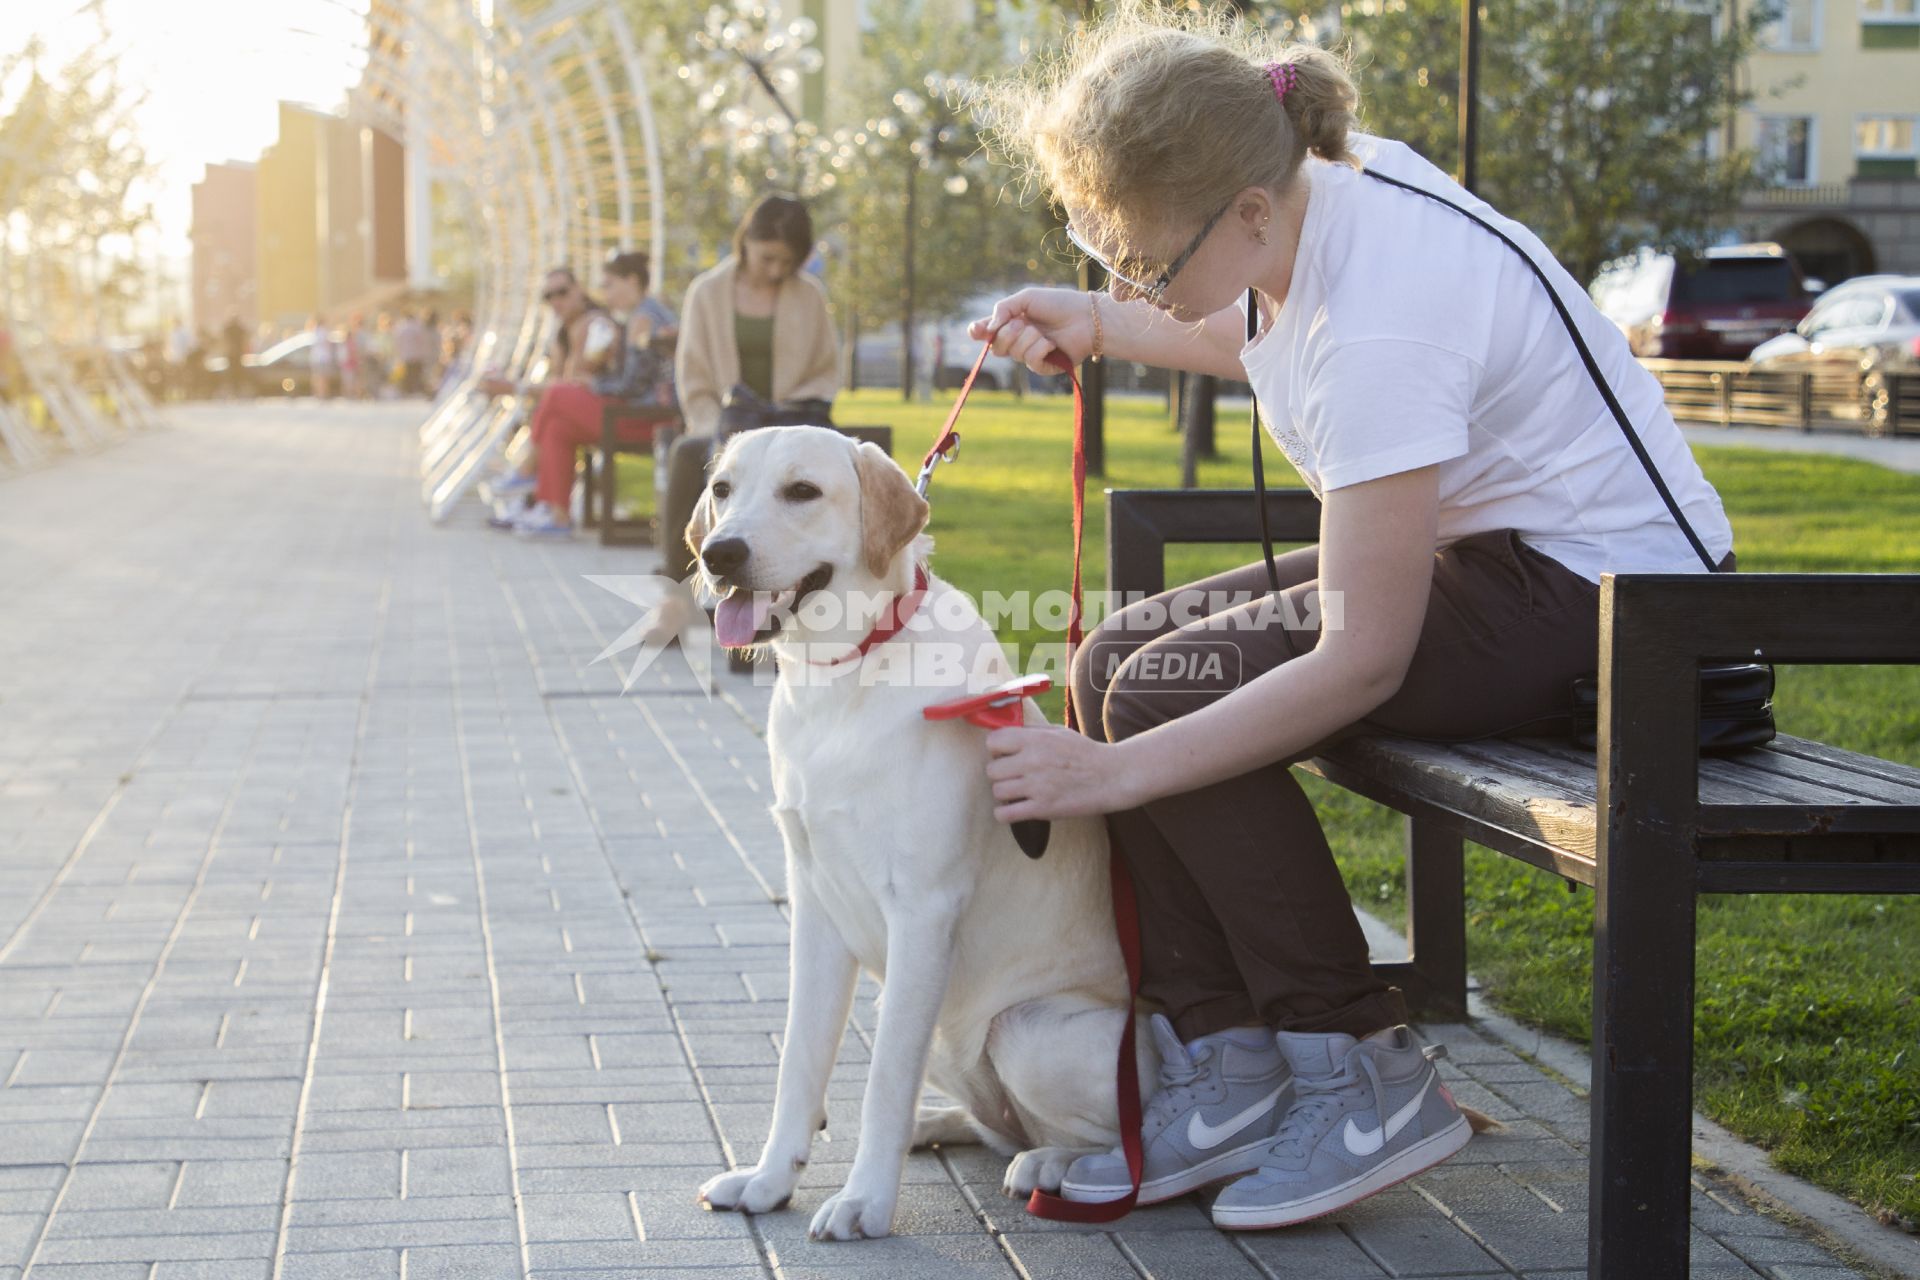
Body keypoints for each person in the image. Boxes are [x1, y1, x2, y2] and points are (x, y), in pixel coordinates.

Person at [966, 4, 1735, 1230]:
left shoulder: (1390, 307)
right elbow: (1256, 318)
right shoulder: (1309, 187)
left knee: (1160, 695)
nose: (1125, 281)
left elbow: (1359, 662)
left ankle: (1359, 1067)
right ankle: (1228, 1064)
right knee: (1119, 658)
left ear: (1250, 211)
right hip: (1502, 558)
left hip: (1612, 606)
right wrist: (1102, 319)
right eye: (1098, 253)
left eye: (1140, 266)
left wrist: (1109, 776)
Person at [659, 193, 839, 583]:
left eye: (786, 262)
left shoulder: (809, 294)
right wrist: (717, 431)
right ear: (745, 243)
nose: (776, 270)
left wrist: (787, 414)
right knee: (689, 457)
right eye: (767, 258)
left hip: (793, 422)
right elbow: (693, 377)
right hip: (727, 423)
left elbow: (825, 369)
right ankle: (676, 594)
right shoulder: (705, 292)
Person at [490, 253, 677, 538]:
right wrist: (594, 380)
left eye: (610, 285)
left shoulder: (643, 318)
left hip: (649, 419)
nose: (605, 294)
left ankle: (528, 473)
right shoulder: (642, 314)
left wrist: (592, 384)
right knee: (558, 427)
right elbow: (631, 380)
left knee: (557, 393)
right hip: (639, 413)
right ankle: (556, 515)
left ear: (633, 281)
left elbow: (632, 387)